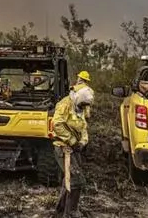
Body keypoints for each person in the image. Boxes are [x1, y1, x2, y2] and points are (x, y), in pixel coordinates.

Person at [52, 73, 95, 218]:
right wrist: (72, 141)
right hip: (63, 147)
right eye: (83, 104)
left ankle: (60, 210)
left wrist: (82, 142)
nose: (84, 107)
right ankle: (71, 212)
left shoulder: (80, 106)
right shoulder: (65, 104)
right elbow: (57, 124)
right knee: (77, 180)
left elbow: (83, 127)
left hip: (75, 148)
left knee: (69, 179)